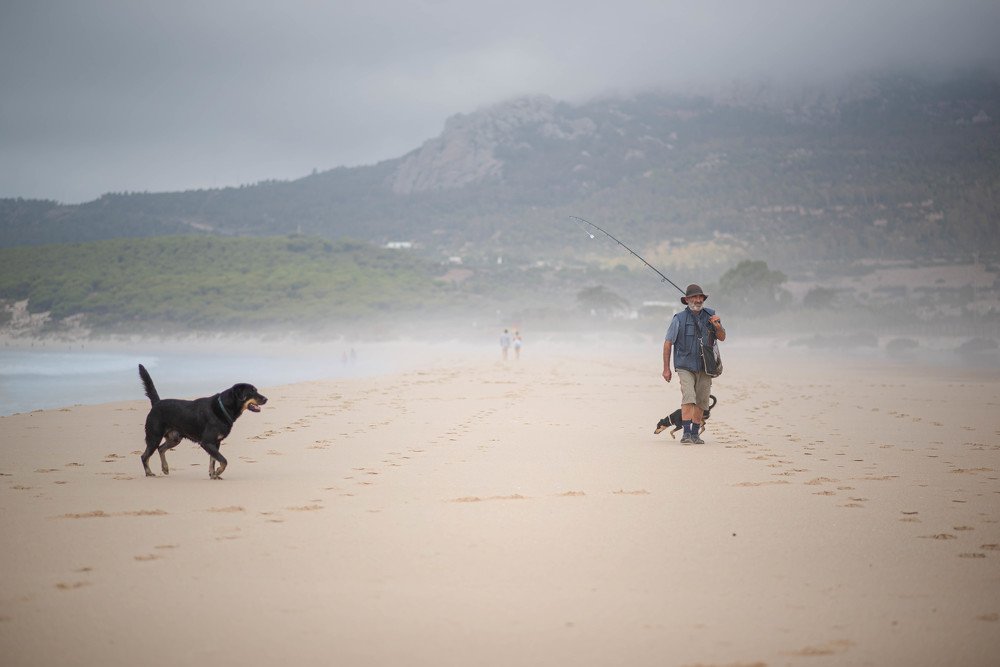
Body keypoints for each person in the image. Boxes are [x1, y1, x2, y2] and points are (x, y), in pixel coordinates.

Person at [662, 284, 726, 444]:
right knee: (689, 397)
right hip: (685, 365)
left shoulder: (711, 315)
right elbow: (668, 343)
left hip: (706, 366)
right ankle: (686, 434)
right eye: (694, 297)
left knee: (702, 401)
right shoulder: (679, 319)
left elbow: (722, 337)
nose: (698, 300)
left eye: (700, 297)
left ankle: (695, 434)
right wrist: (666, 369)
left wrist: (718, 326)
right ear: (687, 300)